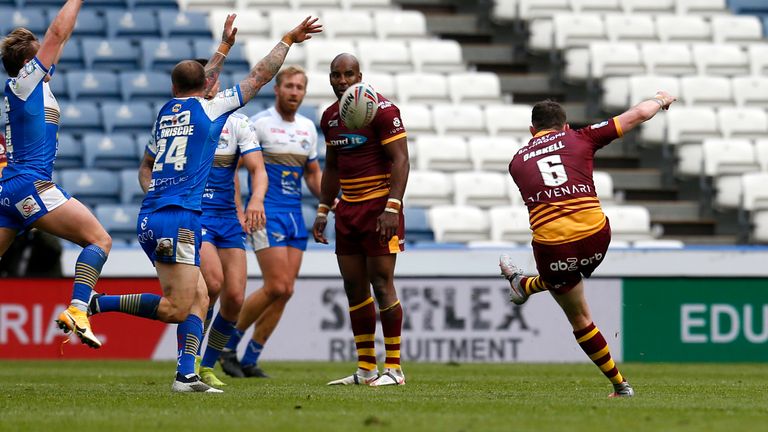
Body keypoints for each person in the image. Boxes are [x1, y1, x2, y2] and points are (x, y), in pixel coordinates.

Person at [87, 14, 322, 393]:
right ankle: (100, 304)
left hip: (167, 212)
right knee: (182, 303)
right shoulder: (213, 110)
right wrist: (288, 39)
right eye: (210, 78)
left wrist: (224, 47)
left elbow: (200, 79)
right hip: (182, 216)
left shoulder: (167, 112)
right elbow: (260, 75)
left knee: (206, 294)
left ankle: (187, 374)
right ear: (205, 86)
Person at [500, 92, 677, 398]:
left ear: (532, 130)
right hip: (596, 237)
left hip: (553, 248)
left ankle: (621, 385)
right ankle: (525, 286)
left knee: (579, 315)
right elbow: (636, 114)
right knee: (570, 270)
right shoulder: (581, 138)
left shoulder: (516, 162)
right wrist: (660, 100)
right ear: (565, 126)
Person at [138, 58, 269, 388]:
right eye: (208, 78)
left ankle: (204, 366)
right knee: (210, 283)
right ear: (204, 84)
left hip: (226, 217)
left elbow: (255, 169)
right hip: (196, 215)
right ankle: (189, 362)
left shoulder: (235, 122)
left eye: (217, 78)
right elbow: (147, 166)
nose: (213, 82)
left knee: (235, 297)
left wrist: (252, 201)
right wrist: (157, 191)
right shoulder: (190, 114)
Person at [0, 0, 111, 349]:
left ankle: (79, 310)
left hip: (9, 190)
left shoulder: (35, 86)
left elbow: (62, 37)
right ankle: (79, 309)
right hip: (30, 185)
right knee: (99, 240)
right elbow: (57, 33)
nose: (53, 58)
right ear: (28, 63)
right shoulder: (26, 82)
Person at [218, 65, 322, 379]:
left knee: (286, 290)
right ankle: (225, 345)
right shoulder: (259, 123)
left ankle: (250, 358)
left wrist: (330, 203)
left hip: (294, 215)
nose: (294, 92)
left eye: (299, 87)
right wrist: (244, 205)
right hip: (265, 213)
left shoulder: (307, 128)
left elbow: (313, 174)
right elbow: (237, 168)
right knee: (275, 284)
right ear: (276, 89)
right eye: (288, 86)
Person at [312, 54, 410, 387]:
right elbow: (333, 168)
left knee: (382, 285)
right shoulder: (329, 117)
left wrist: (393, 207)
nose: (341, 81)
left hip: (380, 209)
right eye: (335, 75)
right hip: (348, 210)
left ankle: (394, 369)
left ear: (360, 76)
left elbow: (401, 161)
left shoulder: (384, 112)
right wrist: (324, 209)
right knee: (354, 288)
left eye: (348, 74)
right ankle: (367, 368)